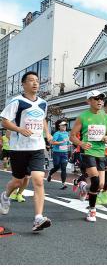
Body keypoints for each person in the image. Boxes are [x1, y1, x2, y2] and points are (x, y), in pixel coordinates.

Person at [0, 71, 53, 232]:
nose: (35, 83)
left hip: (36, 147)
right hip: (19, 148)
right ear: (23, 84)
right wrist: (19, 129)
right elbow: (4, 121)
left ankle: (38, 218)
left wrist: (47, 133)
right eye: (31, 81)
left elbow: (43, 119)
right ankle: (5, 196)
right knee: (17, 181)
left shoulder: (43, 103)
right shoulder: (17, 101)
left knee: (38, 179)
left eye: (37, 81)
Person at [70, 90, 107, 222]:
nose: (99, 101)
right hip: (87, 152)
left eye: (101, 99)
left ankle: (83, 187)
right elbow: (72, 136)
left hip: (101, 152)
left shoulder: (106, 117)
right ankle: (92, 210)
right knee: (96, 181)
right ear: (89, 101)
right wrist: (81, 143)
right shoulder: (82, 117)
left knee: (101, 184)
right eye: (96, 98)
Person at [47, 120, 71, 189]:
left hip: (65, 153)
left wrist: (69, 144)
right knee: (57, 166)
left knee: (63, 168)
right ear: (59, 126)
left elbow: (67, 143)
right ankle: (50, 173)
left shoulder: (66, 133)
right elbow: (53, 142)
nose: (64, 127)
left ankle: (64, 184)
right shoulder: (57, 133)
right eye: (62, 125)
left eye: (65, 125)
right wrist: (61, 142)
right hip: (57, 153)